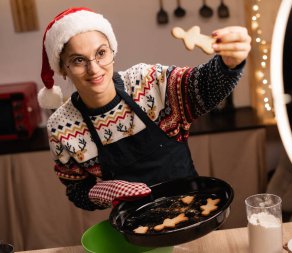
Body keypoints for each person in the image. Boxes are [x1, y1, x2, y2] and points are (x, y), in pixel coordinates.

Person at [38, 7, 251, 210]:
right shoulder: (61, 127)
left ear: (113, 51)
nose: (94, 68)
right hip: (132, 230)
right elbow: (77, 189)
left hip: (192, 211)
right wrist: (100, 192)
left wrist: (229, 64)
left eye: (101, 53)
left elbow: (205, 86)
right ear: (63, 70)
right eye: (78, 60)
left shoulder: (148, 82)